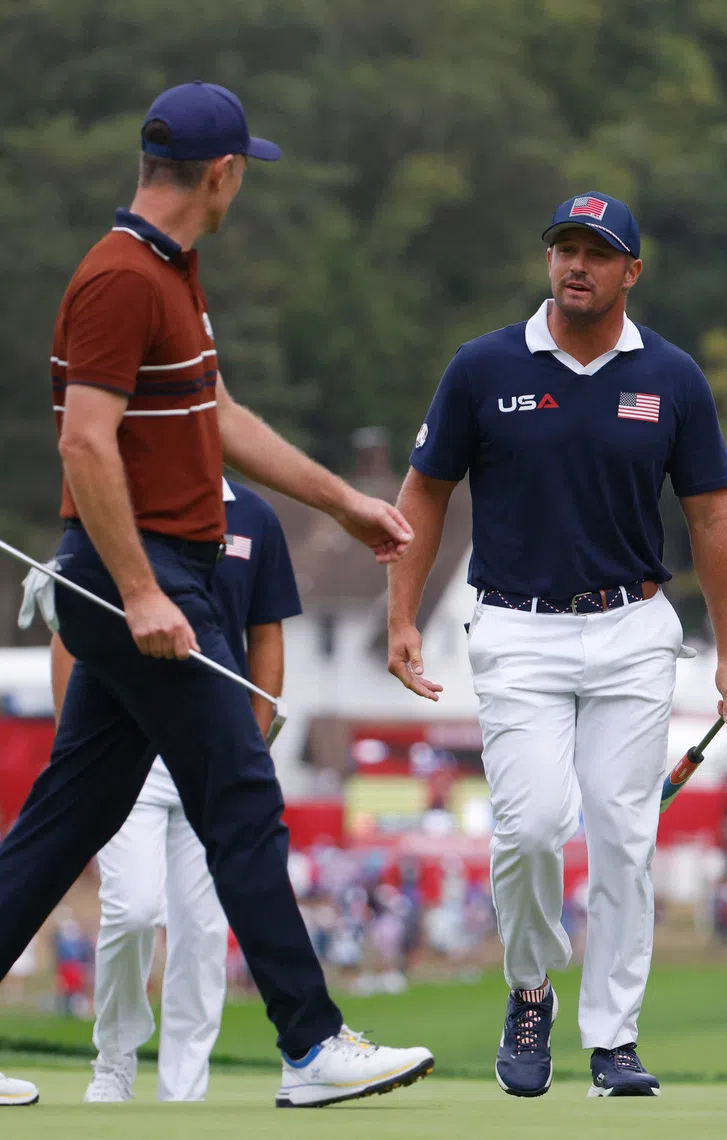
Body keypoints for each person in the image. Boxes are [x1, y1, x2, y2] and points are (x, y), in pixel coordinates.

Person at [0, 81, 432, 1109]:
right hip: (136, 576)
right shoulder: (118, 280)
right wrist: (146, 593)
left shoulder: (168, 272)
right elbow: (84, 441)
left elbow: (218, 416)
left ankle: (311, 1041)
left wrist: (344, 502)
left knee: (72, 812)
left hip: (152, 572)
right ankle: (312, 1042)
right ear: (222, 174)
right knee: (239, 795)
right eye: (246, 172)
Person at [387, 192, 727, 1098]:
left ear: (632, 270)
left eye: (596, 252)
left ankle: (614, 1040)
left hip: (632, 629)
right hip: (516, 628)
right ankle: (531, 986)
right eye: (563, 249)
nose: (575, 265)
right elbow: (423, 494)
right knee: (534, 829)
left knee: (626, 840)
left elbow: (713, 515)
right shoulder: (482, 367)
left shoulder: (672, 377)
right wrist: (400, 617)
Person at [39, 479, 301, 1102]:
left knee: (203, 931)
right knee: (130, 910)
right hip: (125, 751)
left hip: (214, 755)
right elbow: (68, 636)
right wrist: (74, 749)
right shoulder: (119, 503)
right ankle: (116, 1060)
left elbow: (265, 637)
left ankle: (185, 1086)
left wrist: (251, 748)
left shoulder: (257, 519)